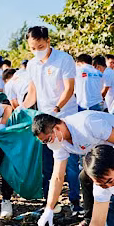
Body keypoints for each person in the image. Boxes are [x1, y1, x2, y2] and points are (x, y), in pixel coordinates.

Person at [32, 111, 114, 226]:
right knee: (85, 177)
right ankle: (89, 220)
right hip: (105, 152)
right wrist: (49, 208)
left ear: (57, 128)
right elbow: (57, 176)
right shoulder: (60, 142)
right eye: (44, 142)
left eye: (48, 139)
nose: (48, 144)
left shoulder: (86, 124)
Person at [22, 26, 80, 205]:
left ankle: (74, 202)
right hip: (44, 118)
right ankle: (50, 203)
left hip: (65, 116)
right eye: (33, 48)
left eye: (40, 47)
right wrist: (21, 109)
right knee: (47, 163)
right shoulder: (31, 65)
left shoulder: (63, 59)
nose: (37, 51)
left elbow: (69, 88)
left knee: (70, 162)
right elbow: (33, 91)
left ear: (48, 41)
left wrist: (56, 109)